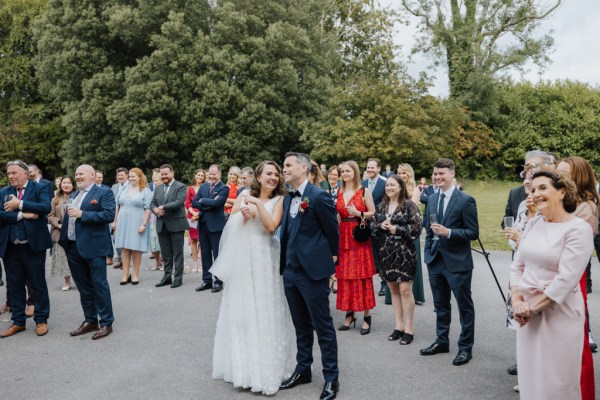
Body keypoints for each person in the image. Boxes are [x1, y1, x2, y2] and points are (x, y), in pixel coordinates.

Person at [211, 161, 295, 395]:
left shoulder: (280, 200)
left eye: (276, 174)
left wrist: (257, 204)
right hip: (245, 258)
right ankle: (245, 369)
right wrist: (244, 216)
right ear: (258, 176)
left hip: (266, 256)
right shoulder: (243, 194)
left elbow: (271, 226)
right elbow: (231, 226)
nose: (274, 177)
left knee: (267, 308)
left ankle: (269, 367)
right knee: (244, 310)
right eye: (268, 173)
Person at [510, 169, 593, 399]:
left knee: (557, 382)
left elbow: (566, 279)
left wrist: (532, 309)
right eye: (533, 189)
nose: (536, 194)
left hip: (559, 313)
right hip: (526, 314)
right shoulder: (534, 223)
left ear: (562, 192)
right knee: (530, 376)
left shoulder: (578, 229)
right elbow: (517, 265)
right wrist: (517, 302)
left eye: (543, 188)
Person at [278, 152, 340, 400]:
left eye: (288, 165)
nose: (284, 169)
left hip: (313, 273)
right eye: (284, 166)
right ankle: (303, 370)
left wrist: (330, 266)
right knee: (300, 325)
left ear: (303, 168)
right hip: (290, 272)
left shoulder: (319, 196)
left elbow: (332, 234)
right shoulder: (287, 199)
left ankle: (331, 379)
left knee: (322, 326)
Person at [420, 158, 479, 366]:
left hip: (457, 262)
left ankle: (465, 348)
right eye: (435, 174)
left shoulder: (466, 200)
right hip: (435, 260)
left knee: (464, 306)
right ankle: (442, 341)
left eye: (441, 174)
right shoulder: (432, 199)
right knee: (440, 305)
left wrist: (449, 232)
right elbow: (428, 229)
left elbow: (473, 232)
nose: (437, 177)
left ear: (452, 174)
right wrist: (427, 253)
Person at [556, 156, 598, 400]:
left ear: (579, 177)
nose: (559, 177)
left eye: (565, 173)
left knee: (575, 337)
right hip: (554, 270)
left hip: (572, 276)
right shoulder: (566, 201)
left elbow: (571, 247)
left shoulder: (587, 208)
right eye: (557, 172)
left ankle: (581, 390)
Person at [59, 164, 116, 340]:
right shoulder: (74, 195)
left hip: (94, 247)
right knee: (83, 287)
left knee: (99, 284)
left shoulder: (104, 192)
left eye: (81, 173)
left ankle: (106, 322)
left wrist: (83, 214)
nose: (77, 176)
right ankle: (90, 320)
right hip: (73, 247)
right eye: (76, 174)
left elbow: (108, 215)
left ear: (92, 175)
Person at [0, 160, 52, 338]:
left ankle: (41, 320)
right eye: (9, 174)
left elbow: (45, 208)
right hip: (11, 247)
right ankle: (18, 321)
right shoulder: (4, 192)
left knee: (38, 284)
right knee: (14, 285)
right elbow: (0, 215)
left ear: (25, 173)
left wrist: (19, 205)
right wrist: (23, 214)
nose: (11, 176)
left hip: (33, 245)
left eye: (14, 173)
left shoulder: (39, 189)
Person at [371, 174, 421, 345]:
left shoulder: (409, 205)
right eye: (387, 186)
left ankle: (409, 328)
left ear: (401, 187)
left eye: (393, 185)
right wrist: (380, 226)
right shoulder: (382, 206)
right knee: (393, 289)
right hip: (386, 251)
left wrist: (396, 229)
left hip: (405, 253)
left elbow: (416, 228)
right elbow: (373, 227)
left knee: (405, 290)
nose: (389, 188)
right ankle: (398, 326)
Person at [336, 160, 376, 335]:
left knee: (361, 275)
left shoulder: (364, 191)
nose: (345, 174)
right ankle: (349, 314)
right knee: (345, 276)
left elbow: (373, 213)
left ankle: (367, 316)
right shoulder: (340, 191)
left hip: (359, 236)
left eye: (348, 171)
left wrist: (359, 214)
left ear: (355, 173)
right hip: (343, 235)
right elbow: (338, 215)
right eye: (342, 171)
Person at [193, 164, 229, 293]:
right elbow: (194, 203)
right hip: (202, 225)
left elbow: (217, 203)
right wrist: (206, 202)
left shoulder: (224, 188)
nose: (212, 176)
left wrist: (203, 201)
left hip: (216, 226)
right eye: (210, 174)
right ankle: (207, 281)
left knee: (217, 255)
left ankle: (218, 281)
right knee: (205, 254)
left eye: (214, 174)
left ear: (219, 174)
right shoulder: (203, 187)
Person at [151, 164, 188, 289]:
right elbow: (152, 203)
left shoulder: (181, 186)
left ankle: (178, 279)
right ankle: (167, 277)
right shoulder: (158, 188)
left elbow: (178, 202)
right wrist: (155, 209)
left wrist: (163, 207)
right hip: (161, 224)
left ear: (172, 173)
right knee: (166, 254)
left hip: (176, 224)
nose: (164, 176)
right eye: (162, 174)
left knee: (177, 253)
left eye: (166, 174)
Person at [114, 168, 152, 285]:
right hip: (122, 221)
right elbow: (117, 205)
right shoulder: (124, 188)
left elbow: (148, 209)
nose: (131, 178)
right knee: (124, 248)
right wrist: (115, 221)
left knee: (135, 248)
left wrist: (144, 224)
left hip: (137, 221)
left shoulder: (145, 191)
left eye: (133, 176)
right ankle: (125, 274)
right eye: (129, 176)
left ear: (140, 177)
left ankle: (135, 274)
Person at [396, 163, 426, 305]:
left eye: (404, 173)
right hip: (396, 228)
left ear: (409, 174)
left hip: (409, 229)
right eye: (399, 173)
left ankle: (415, 293)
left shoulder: (415, 189)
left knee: (411, 260)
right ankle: (395, 294)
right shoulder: (395, 187)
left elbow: (411, 210)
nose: (401, 176)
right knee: (396, 259)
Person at [361, 158, 386, 297]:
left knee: (380, 253)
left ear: (378, 169)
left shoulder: (384, 184)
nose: (370, 170)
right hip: (363, 223)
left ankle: (384, 283)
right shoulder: (362, 184)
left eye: (372, 168)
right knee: (366, 253)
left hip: (378, 223)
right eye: (368, 167)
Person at [48, 176, 76, 291]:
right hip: (59, 232)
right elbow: (50, 216)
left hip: (76, 232)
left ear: (73, 185)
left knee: (77, 258)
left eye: (69, 183)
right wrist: (58, 224)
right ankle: (67, 281)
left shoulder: (77, 197)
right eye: (64, 183)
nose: (66, 185)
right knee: (62, 258)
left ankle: (82, 280)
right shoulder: (55, 199)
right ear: (60, 185)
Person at [184, 169, 205, 273]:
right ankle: (195, 264)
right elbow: (187, 203)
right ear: (195, 176)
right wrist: (193, 213)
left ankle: (201, 265)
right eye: (198, 175)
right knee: (193, 240)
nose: (200, 177)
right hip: (191, 216)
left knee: (201, 241)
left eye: (202, 175)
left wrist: (198, 214)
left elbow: (205, 203)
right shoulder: (190, 189)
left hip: (202, 215)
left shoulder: (205, 188)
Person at [110, 167, 129, 269]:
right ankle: (121, 259)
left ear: (127, 175)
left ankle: (126, 261)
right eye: (118, 175)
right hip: (115, 216)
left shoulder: (131, 186)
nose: (120, 177)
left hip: (127, 216)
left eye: (122, 175)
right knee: (115, 238)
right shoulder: (114, 187)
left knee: (126, 239)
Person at [148, 169, 162, 271]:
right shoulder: (151, 193)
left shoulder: (165, 191)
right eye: (154, 181)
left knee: (162, 242)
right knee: (153, 243)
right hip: (152, 220)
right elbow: (148, 207)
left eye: (157, 180)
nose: (155, 183)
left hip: (162, 218)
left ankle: (165, 263)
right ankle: (157, 263)